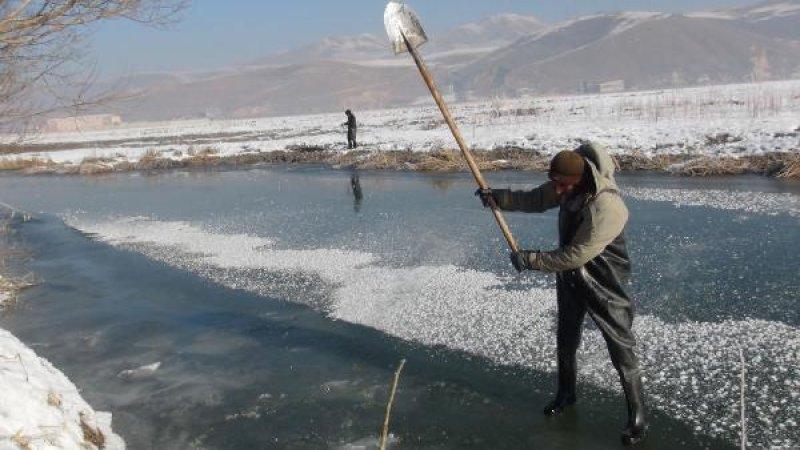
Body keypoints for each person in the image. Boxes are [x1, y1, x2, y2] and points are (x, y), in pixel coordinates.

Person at [476, 142, 648, 446]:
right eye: (554, 183)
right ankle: (566, 394)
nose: (556, 191)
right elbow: (535, 199)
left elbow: (575, 255)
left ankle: (637, 417)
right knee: (566, 339)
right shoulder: (565, 184)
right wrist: (498, 198)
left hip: (604, 282)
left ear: (578, 179)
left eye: (561, 185)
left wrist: (531, 260)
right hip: (571, 280)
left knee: (621, 347)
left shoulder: (606, 206)